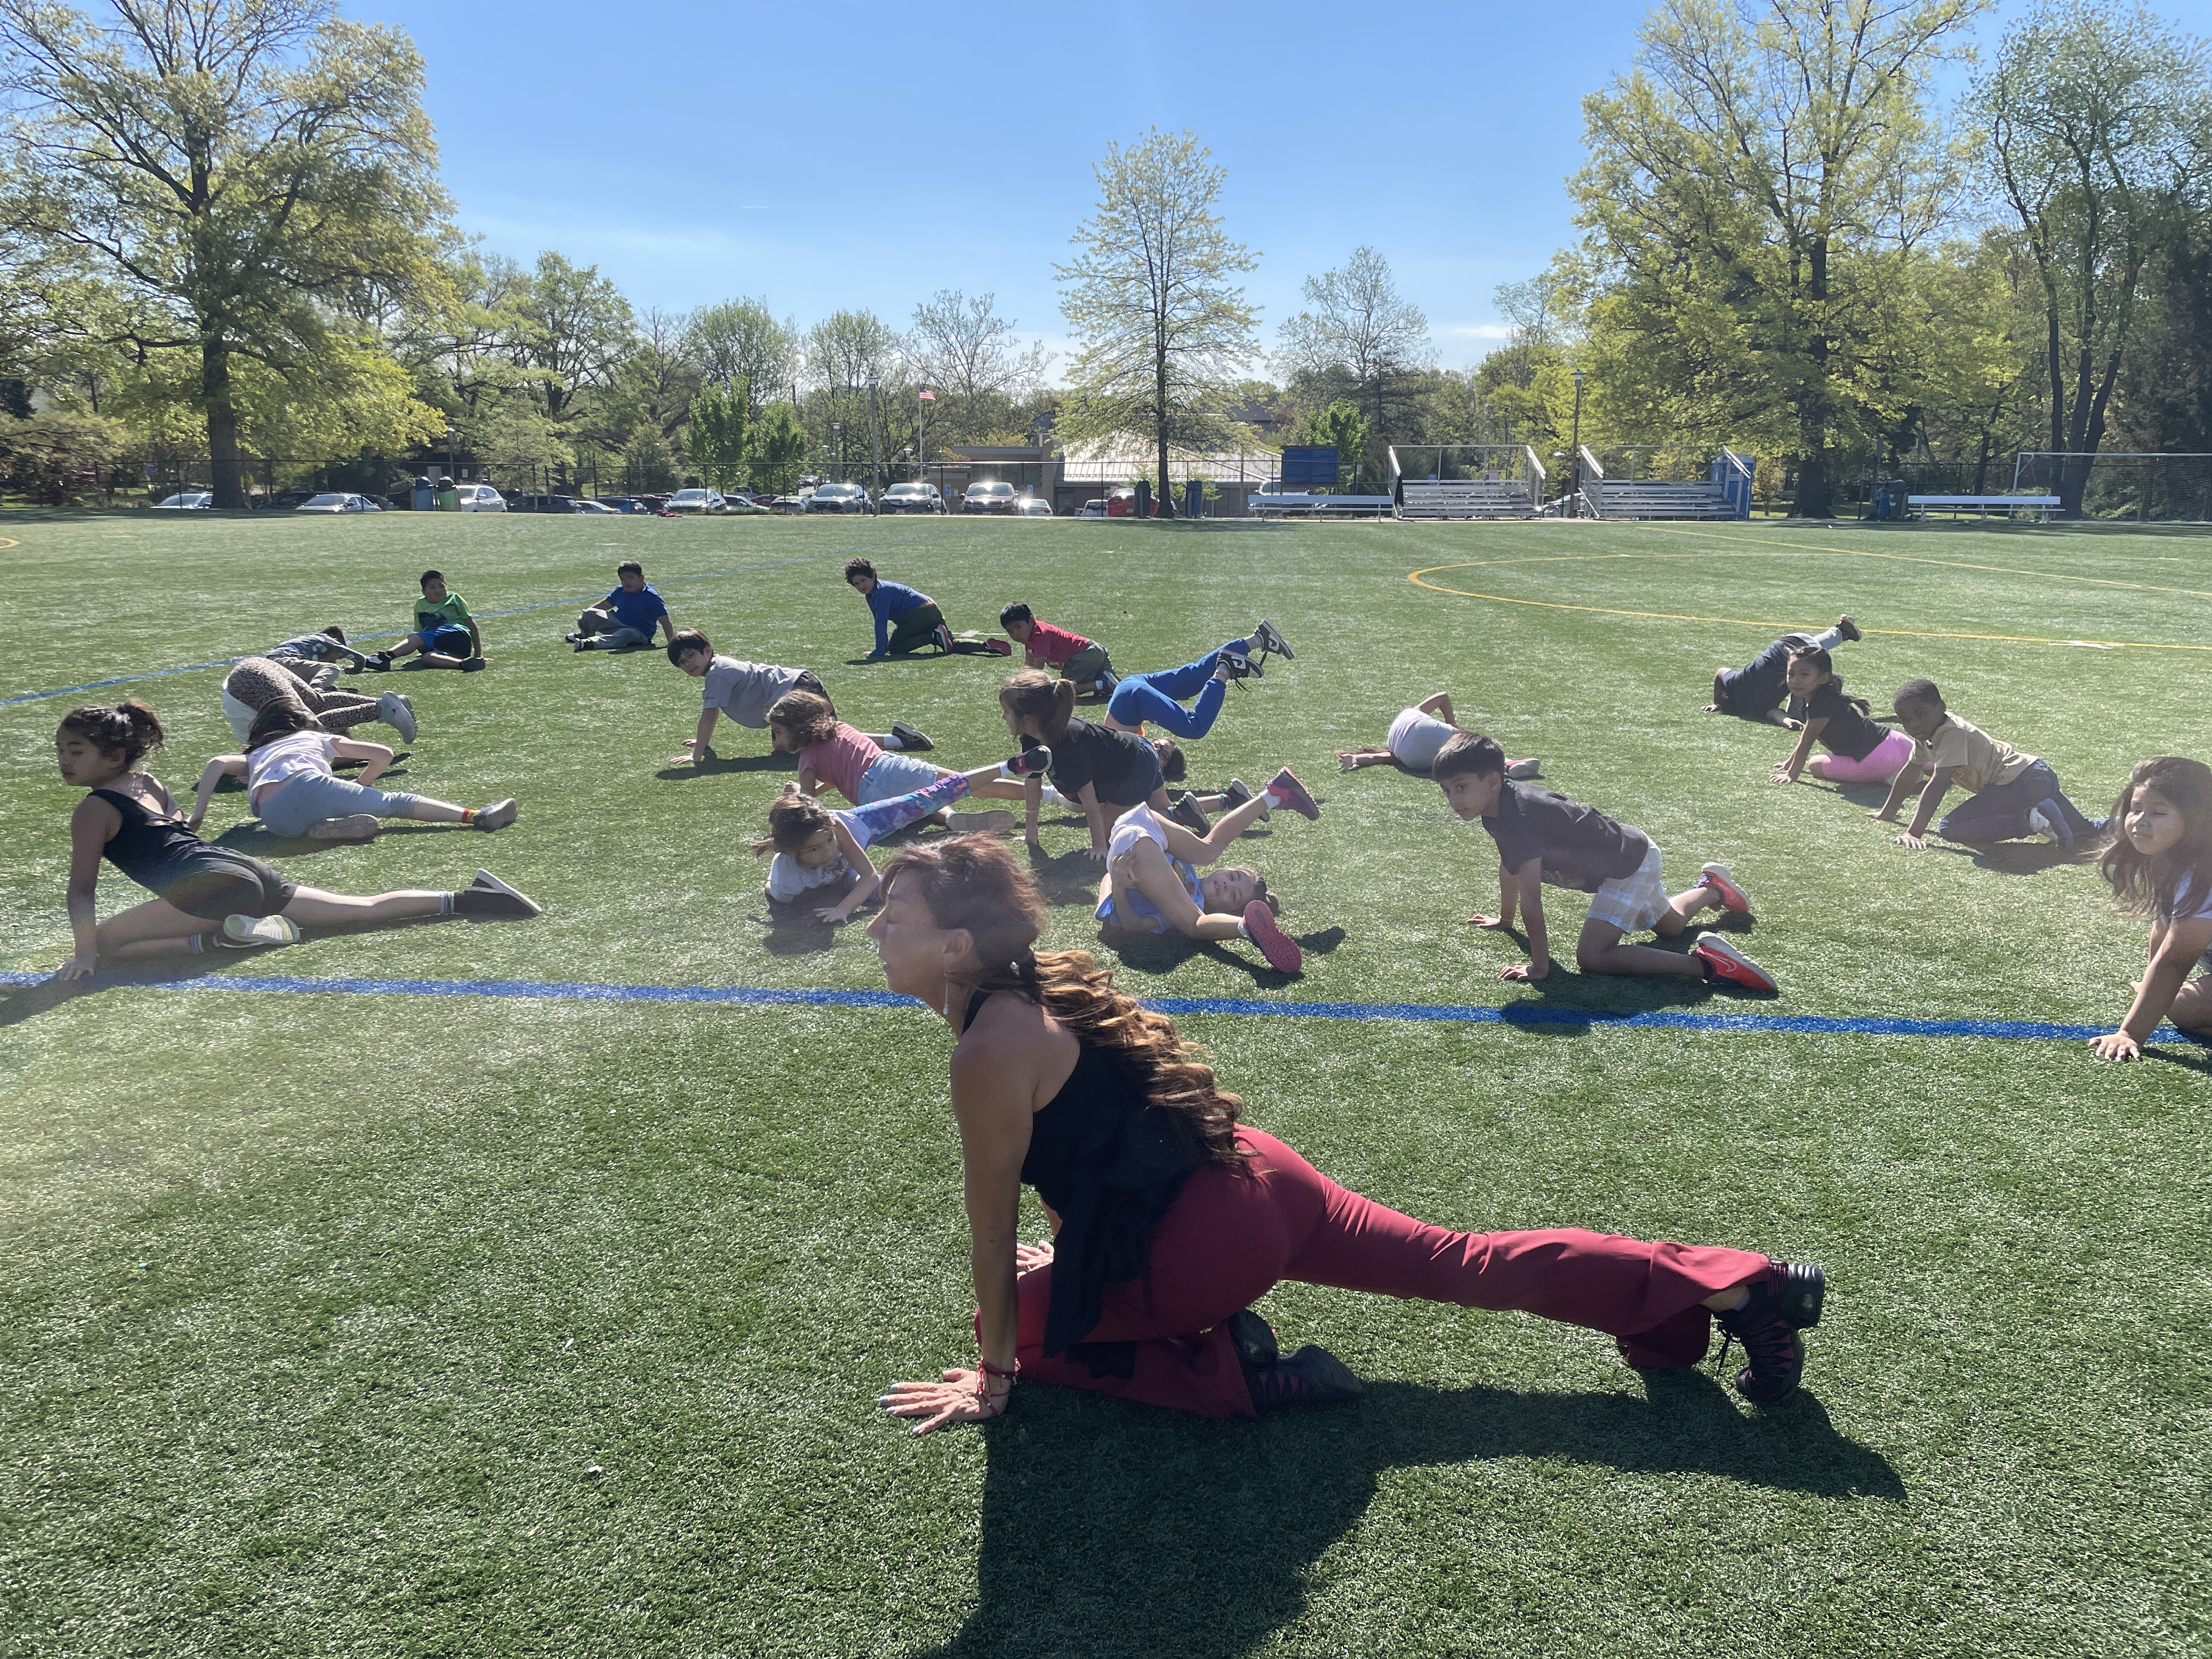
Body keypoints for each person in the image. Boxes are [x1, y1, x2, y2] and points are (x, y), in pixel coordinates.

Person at [866, 837, 1828, 1430]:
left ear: (955, 946)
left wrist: (996, 1375)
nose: (875, 926)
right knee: (1473, 1261)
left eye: (892, 914)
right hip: (1256, 1175)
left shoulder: (983, 1050)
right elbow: (1099, 1136)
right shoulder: (1030, 984)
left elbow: (992, 1232)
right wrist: (1075, 1248)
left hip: (1206, 1237)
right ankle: (1745, 1283)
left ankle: (1233, 1373)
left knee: (1023, 1329)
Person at [49, 700, 538, 979]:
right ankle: (470, 898)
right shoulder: (147, 784)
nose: (65, 761)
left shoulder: (93, 810)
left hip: (209, 885)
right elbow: (179, 828)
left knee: (107, 945)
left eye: (76, 750)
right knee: (362, 909)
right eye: (61, 750)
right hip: (248, 872)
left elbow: (82, 890)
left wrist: (85, 951)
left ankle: (220, 937)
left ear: (114, 756)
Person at [1432, 731, 1776, 991]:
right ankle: (1713, 889)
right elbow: (1510, 867)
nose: (1453, 799)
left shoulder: (1520, 815)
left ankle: (1707, 966)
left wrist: (1540, 967)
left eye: (1461, 787)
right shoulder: (1495, 809)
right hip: (1633, 852)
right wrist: (1505, 920)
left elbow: (1532, 901)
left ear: (1493, 781)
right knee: (1670, 927)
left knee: (1594, 956)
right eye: (1447, 791)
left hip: (1628, 866)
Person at [1002, 672, 1297, 860]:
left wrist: (1100, 846)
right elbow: (1032, 782)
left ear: (1029, 718)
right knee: (1163, 812)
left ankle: (1253, 800)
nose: (1004, 718)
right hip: (1136, 754)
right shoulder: (1033, 736)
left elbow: (1092, 805)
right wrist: (1031, 833)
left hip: (1133, 766)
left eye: (1007, 712)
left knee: (1118, 834)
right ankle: (1230, 799)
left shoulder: (1068, 746)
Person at [753, 756, 1043, 924]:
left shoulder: (837, 825)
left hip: (862, 824)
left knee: (926, 798)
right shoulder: (785, 879)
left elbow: (866, 876)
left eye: (828, 842)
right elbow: (774, 892)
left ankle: (1008, 766)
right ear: (792, 852)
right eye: (814, 850)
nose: (827, 851)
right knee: (889, 893)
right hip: (836, 871)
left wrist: (843, 908)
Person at [189, 703, 519, 842]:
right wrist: (359, 786)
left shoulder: (257, 754)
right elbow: (383, 755)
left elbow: (216, 764)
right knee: (395, 802)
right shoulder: (313, 737)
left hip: (274, 820)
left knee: (299, 825)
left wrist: (197, 817)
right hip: (311, 783)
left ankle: (318, 831)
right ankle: (476, 817)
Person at [1872, 678, 2101, 850]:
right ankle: (2128, 821)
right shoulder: (1927, 735)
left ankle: (2033, 818)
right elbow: (1910, 771)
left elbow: (1939, 783)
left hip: (2019, 782)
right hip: (2036, 774)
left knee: (1951, 828)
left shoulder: (1950, 733)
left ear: (1941, 707)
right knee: (2086, 832)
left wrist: (1914, 833)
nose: (1914, 725)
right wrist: (1888, 812)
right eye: (1906, 720)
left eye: (1921, 714)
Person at [1093, 792, 1308, 973]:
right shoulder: (1189, 873)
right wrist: (1114, 878)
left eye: (1233, 896)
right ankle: (1272, 795)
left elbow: (1133, 925)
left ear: (1225, 912)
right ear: (1224, 870)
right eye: (1232, 877)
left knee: (1198, 911)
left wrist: (1118, 887)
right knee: (1197, 918)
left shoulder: (1187, 908)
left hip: (1133, 839)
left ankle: (1274, 795)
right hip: (1142, 828)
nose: (1227, 885)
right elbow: (1110, 877)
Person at [2089, 756, 2212, 1060]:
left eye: (2158, 813)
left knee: (2179, 1005)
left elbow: (2176, 961)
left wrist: (2129, 1033)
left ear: (2196, 819)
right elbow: (2163, 928)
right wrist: (2149, 986)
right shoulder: (2173, 856)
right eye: (2135, 809)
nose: (2139, 822)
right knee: (2175, 1004)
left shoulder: (2204, 872)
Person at [662, 629, 929, 764]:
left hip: (797, 691)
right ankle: (896, 739)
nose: (688, 664)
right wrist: (702, 742)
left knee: (830, 742)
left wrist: (697, 754)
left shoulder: (717, 673)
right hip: (793, 691)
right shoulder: (717, 667)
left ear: (708, 650)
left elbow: (710, 715)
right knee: (789, 750)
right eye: (682, 662)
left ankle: (899, 740)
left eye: (691, 656)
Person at [1102, 621, 1294, 740]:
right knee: (1192, 679)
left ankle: (1223, 671)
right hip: (1129, 687)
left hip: (1133, 702)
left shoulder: (1124, 765)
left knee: (1195, 727)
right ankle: (1258, 639)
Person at [1768, 647, 1912, 788]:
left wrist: (1792, 774)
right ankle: (1906, 769)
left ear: (1824, 678)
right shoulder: (1827, 694)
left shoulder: (1821, 704)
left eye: (1804, 675)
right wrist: (1789, 762)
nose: (1795, 681)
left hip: (1878, 760)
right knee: (1928, 761)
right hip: (1897, 741)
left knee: (1815, 764)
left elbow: (1806, 742)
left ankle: (1892, 775)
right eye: (1791, 674)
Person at [220, 654, 415, 746]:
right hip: (255, 667)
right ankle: (390, 702)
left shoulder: (269, 745)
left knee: (310, 729)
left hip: (247, 686)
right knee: (315, 703)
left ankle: (382, 710)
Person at [1335, 691, 1539, 778]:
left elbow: (1382, 758)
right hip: (1417, 729)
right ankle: (1509, 764)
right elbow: (1443, 697)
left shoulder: (1396, 749)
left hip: (1410, 758)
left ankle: (1504, 766)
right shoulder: (1406, 720)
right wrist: (1453, 726)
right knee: (1473, 744)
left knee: (1459, 758)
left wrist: (1355, 758)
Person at [1703, 616, 1861, 724]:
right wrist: (1717, 702)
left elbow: (1776, 714)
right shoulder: (1735, 683)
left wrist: (1788, 721)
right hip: (1791, 640)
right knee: (1806, 651)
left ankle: (1832, 681)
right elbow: (1721, 672)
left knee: (1800, 714)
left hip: (1798, 659)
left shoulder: (1755, 707)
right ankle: (1841, 632)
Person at [844, 557, 1008, 658]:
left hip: (919, 614)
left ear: (873, 576)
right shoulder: (872, 594)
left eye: (863, 581)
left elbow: (880, 623)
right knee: (949, 644)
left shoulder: (880, 593)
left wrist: (879, 651)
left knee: (894, 648)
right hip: (931, 609)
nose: (860, 586)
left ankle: (933, 637)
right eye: (856, 584)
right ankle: (986, 646)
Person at [373, 571, 483, 670]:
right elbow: (423, 630)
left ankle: (385, 658)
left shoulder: (454, 598)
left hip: (457, 636)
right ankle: (463, 664)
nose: (438, 590)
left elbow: (471, 625)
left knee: (414, 637)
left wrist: (478, 654)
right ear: (424, 592)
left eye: (442, 586)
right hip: (445, 645)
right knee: (427, 658)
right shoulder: (420, 604)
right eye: (432, 587)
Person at [999, 602, 1115, 697]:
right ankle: (1103, 680)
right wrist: (1020, 683)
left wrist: (1025, 690)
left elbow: (1037, 671)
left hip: (1086, 655)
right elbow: (1028, 667)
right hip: (1091, 653)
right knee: (1117, 689)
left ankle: (1102, 684)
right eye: (1010, 631)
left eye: (1018, 628)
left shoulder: (1040, 636)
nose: (1015, 635)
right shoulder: (1031, 635)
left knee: (1063, 691)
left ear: (1031, 621)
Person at [567, 561, 676, 652]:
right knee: (590, 612)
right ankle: (586, 635)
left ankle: (589, 644)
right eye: (623, 579)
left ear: (642, 577)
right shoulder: (621, 591)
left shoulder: (652, 598)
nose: (627, 582)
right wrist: (585, 616)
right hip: (617, 623)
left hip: (639, 633)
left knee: (625, 635)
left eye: (630, 578)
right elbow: (603, 606)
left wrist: (672, 645)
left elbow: (666, 622)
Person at [266, 626, 376, 677]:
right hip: (287, 662)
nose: (336, 661)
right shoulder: (327, 640)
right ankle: (319, 692)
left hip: (268, 663)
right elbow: (360, 659)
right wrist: (353, 671)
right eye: (338, 656)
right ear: (335, 642)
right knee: (332, 670)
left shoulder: (306, 641)